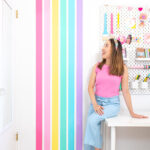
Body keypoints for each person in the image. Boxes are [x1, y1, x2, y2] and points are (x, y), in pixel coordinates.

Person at [84, 38, 148, 150]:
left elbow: (126, 91)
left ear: (114, 50)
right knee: (91, 126)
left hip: (112, 105)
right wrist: (94, 104)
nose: (102, 48)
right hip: (97, 102)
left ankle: (98, 149)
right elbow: (90, 87)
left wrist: (132, 112)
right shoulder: (97, 66)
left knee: (92, 120)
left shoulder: (122, 68)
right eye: (103, 45)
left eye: (106, 46)